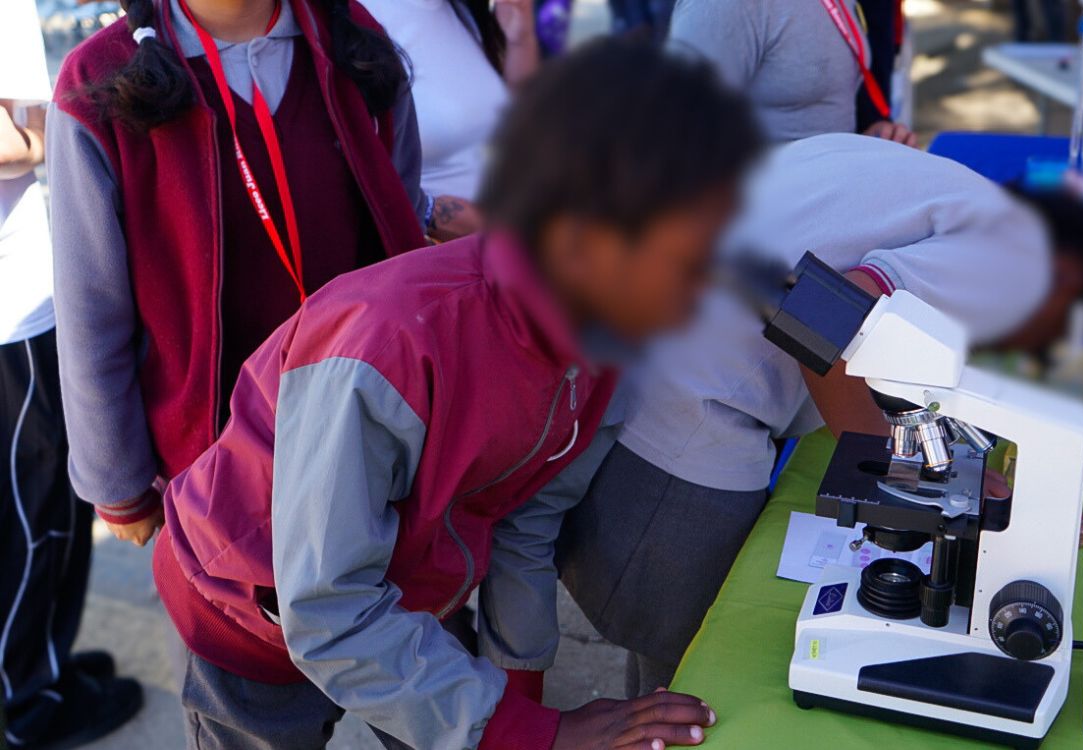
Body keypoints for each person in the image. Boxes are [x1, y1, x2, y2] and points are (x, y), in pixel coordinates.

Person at [154, 38, 762, 750]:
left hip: (402, 599)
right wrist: (526, 731)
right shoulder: (384, 345)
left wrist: (522, 709)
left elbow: (525, 521)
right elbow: (325, 611)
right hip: (247, 614)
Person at [558, 134, 1083, 696]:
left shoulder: (945, 188)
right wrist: (903, 476)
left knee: (661, 680)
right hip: (691, 414)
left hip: (635, 355)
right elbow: (828, 318)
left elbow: (880, 327)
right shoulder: (1013, 255)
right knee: (693, 674)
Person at [45, 0, 449, 548]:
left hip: (370, 441)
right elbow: (91, 310)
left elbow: (402, 226)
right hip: (210, 473)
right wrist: (117, 483)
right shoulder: (100, 79)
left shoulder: (352, 38)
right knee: (229, 603)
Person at [1, 2, 146, 747]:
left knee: (43, 505)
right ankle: (24, 702)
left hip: (19, 294)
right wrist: (65, 126)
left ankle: (43, 664)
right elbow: (11, 137)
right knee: (33, 514)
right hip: (11, 301)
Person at [668, 0, 916, 145]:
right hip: (774, 215)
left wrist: (869, 135)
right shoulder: (723, 6)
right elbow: (675, 134)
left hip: (837, 201)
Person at [362, 0, 538, 203]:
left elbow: (516, 114)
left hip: (518, 209)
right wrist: (432, 213)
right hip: (474, 221)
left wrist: (520, 40)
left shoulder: (460, 9)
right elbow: (363, 178)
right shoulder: (362, 20)